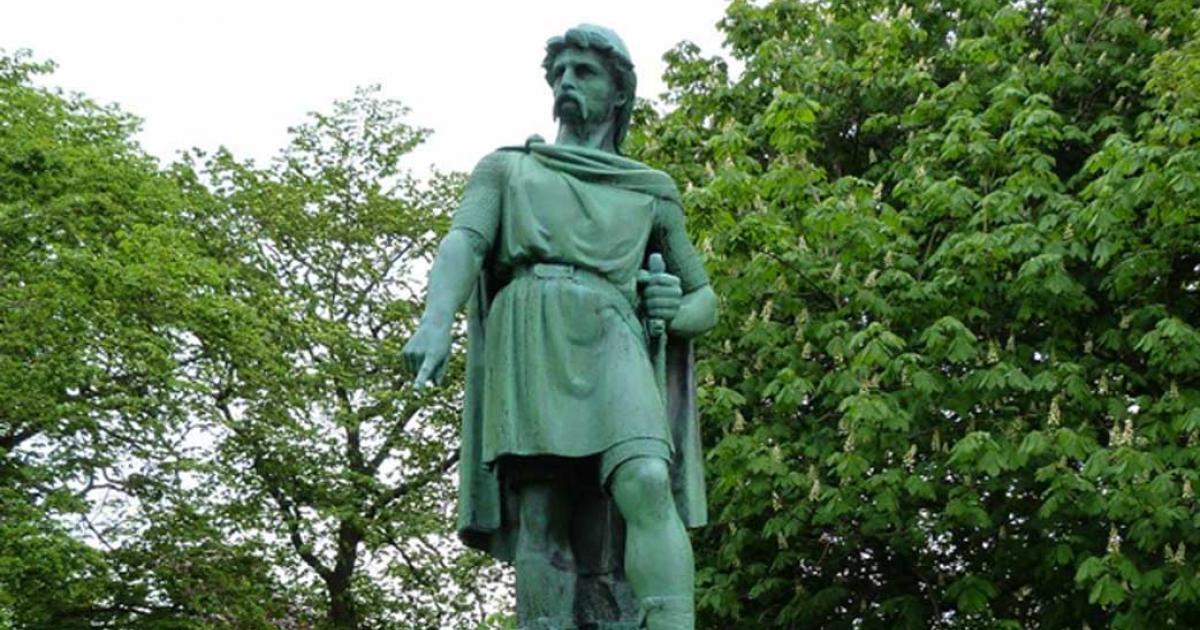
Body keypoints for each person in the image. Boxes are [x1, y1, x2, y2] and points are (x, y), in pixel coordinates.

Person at [402, 24, 717, 630]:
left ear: (620, 92)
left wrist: (672, 307)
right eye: (560, 72)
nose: (567, 81)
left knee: (648, 477)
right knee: (541, 511)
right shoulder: (506, 169)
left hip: (611, 329)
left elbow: (705, 299)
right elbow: (464, 243)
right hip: (533, 325)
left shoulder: (650, 190)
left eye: (585, 72)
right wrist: (435, 322)